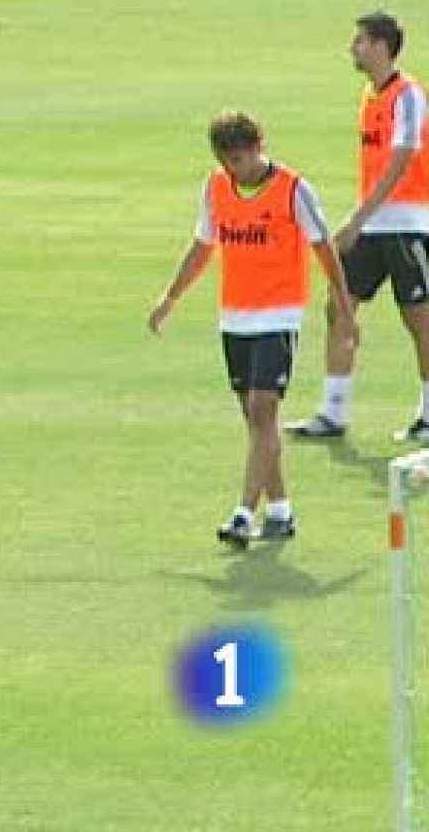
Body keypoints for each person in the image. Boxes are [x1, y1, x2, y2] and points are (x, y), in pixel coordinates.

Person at [148, 111, 358, 550]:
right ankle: (280, 510)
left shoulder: (293, 190)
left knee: (263, 409)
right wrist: (170, 297)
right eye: (226, 162)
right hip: (235, 316)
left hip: (278, 315)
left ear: (258, 148)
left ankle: (243, 511)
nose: (233, 170)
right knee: (256, 419)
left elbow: (324, 250)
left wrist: (343, 306)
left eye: (239, 160)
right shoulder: (215, 188)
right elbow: (203, 247)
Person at [287, 11, 429, 445]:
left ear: (381, 46)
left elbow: (401, 159)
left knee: (418, 320)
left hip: (405, 224)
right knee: (339, 307)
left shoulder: (408, 95)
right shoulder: (369, 97)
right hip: (373, 225)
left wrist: (356, 219)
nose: (353, 48)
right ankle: (333, 410)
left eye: (359, 41)